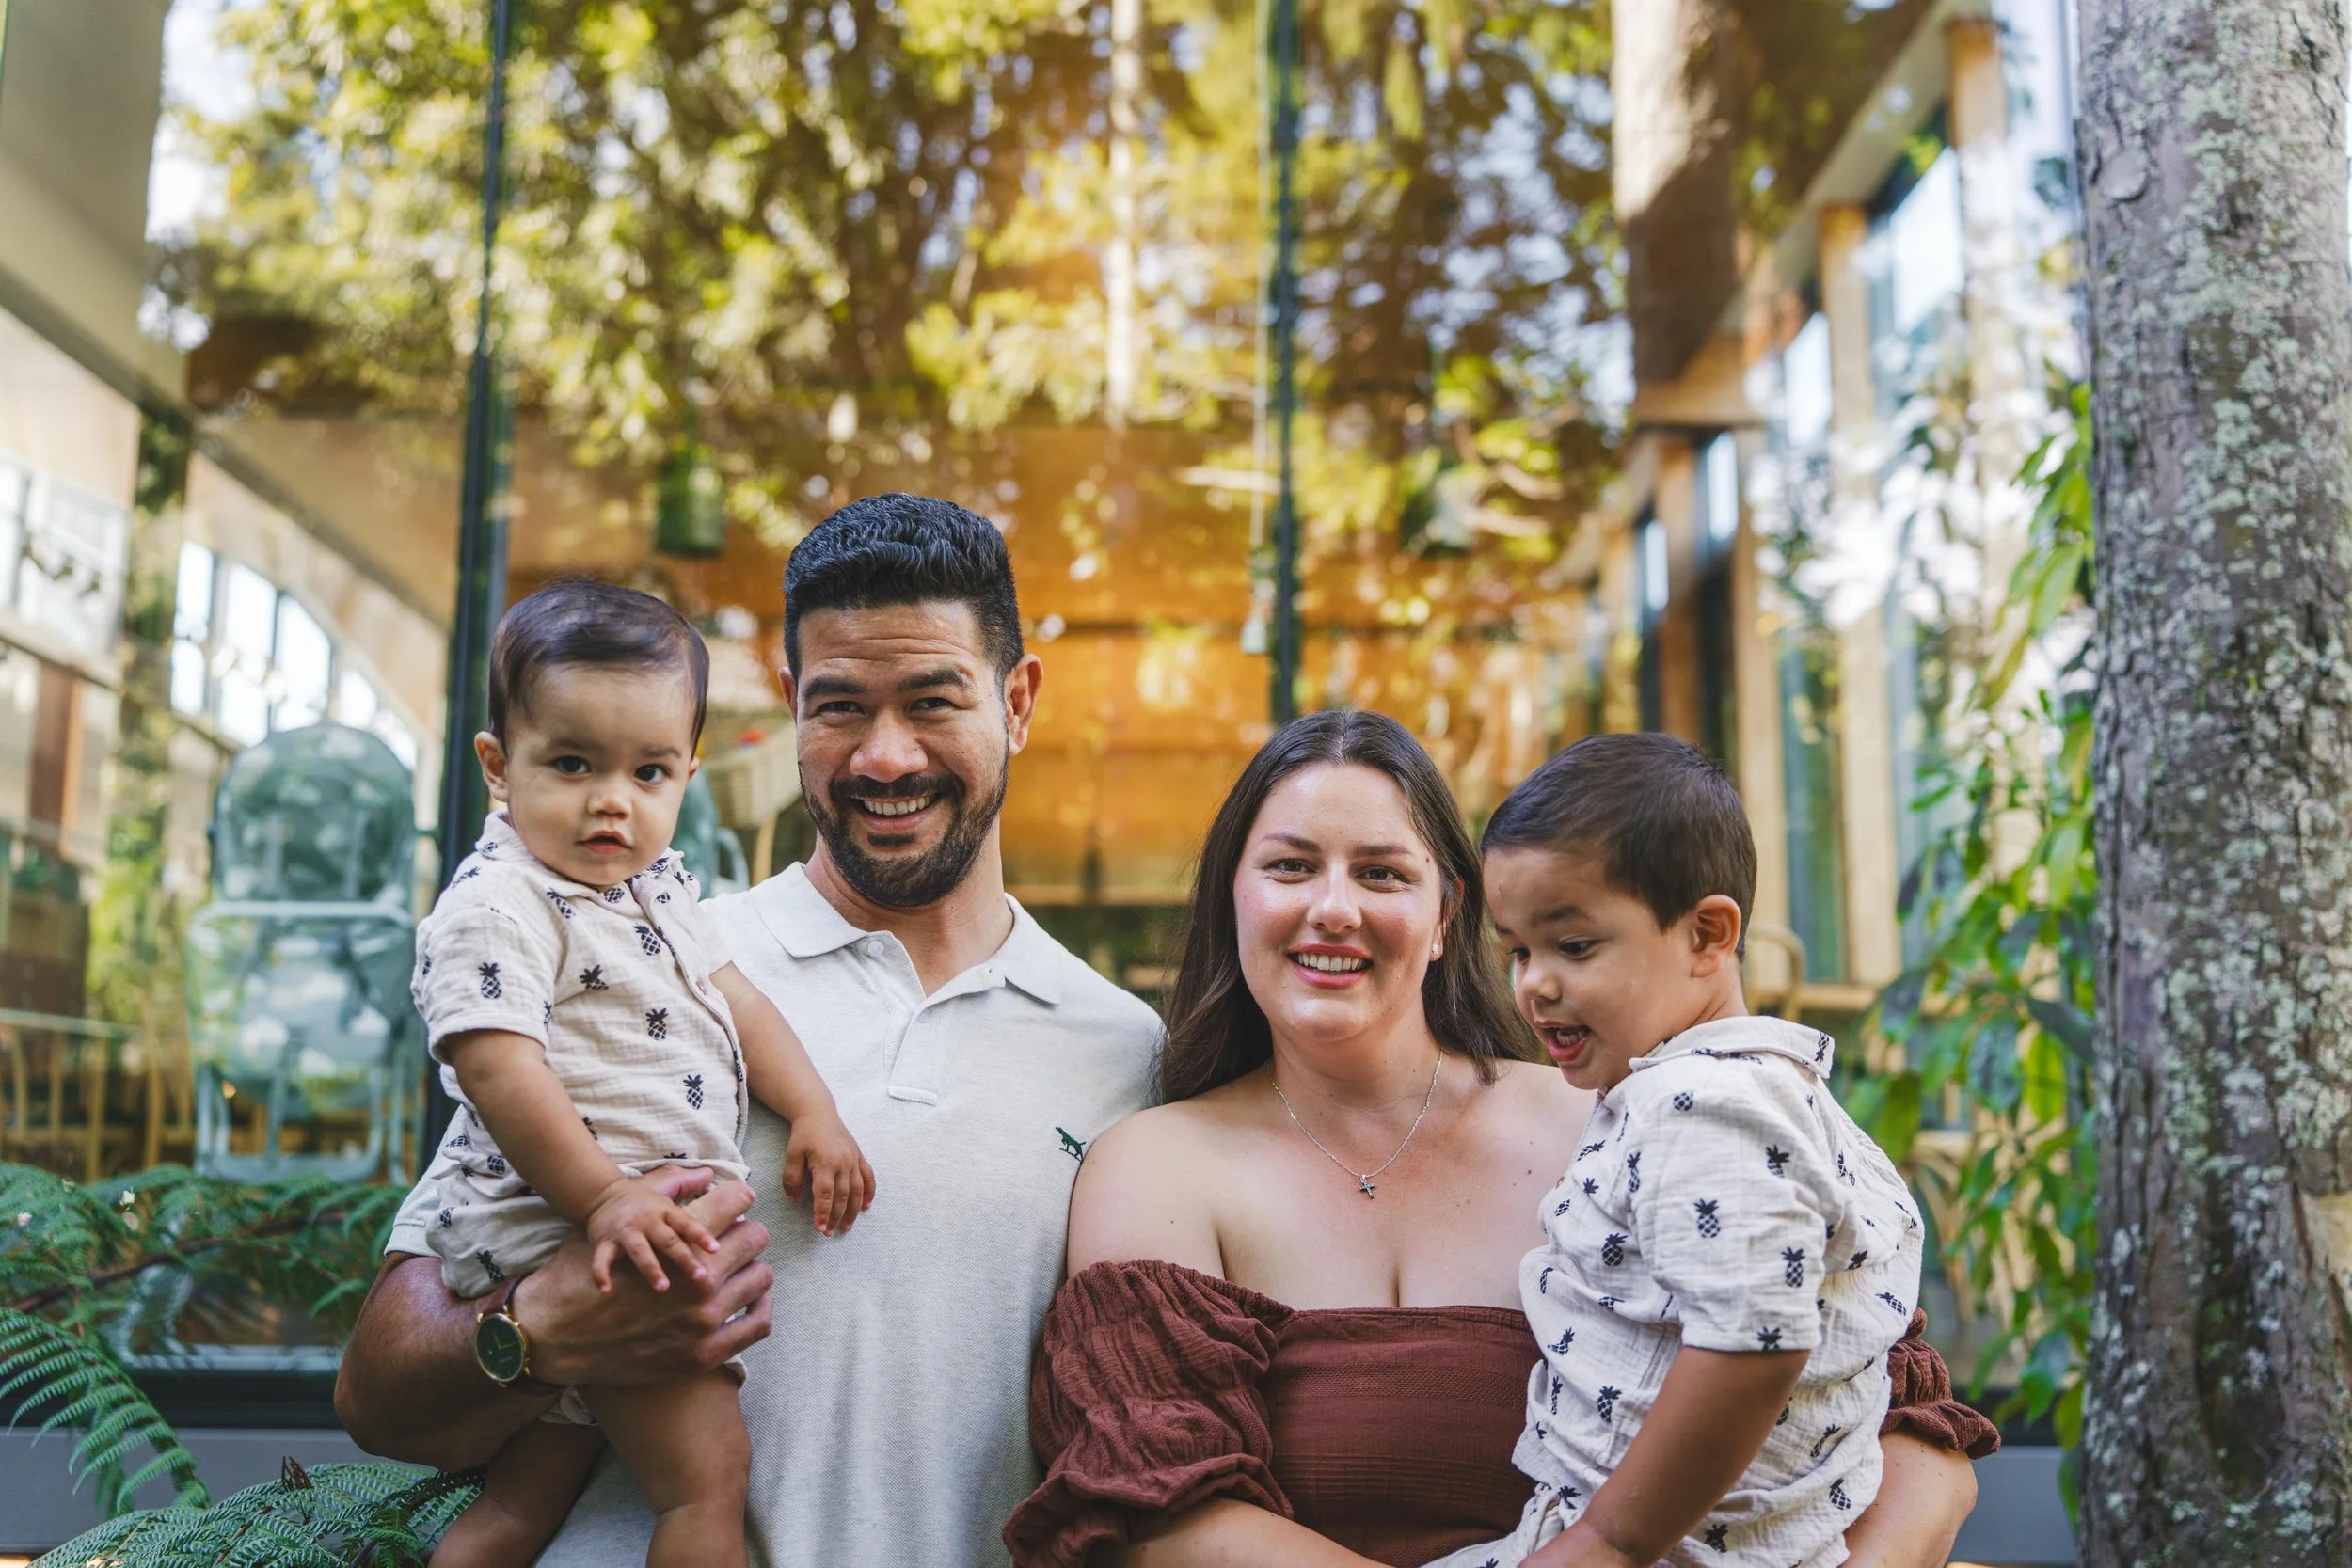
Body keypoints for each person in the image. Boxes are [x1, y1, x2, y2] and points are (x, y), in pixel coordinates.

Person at [337, 495, 1162, 1567]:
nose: (883, 755)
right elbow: (376, 1392)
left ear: (1017, 701)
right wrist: (534, 1332)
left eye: (931, 700)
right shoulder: (628, 966)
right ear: (785, 707)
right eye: (838, 708)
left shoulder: (1125, 1052)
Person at [1008, 709, 1993, 1568]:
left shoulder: (1637, 1118)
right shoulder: (1156, 1165)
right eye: (1291, 865)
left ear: (1446, 918)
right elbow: (1161, 1516)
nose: (1333, 905)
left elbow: (1898, 1414)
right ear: (1234, 899)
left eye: (1382, 872)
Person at [412, 580, 874, 1568]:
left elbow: (741, 1004)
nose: (611, 799)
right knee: (705, 1481)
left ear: (688, 774)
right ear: (500, 764)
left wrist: (815, 1111)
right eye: (572, 763)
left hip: (609, 1234)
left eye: (648, 770)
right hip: (573, 1236)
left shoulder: (653, 885)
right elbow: (497, 1066)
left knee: (517, 1508)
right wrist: (606, 1196)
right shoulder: (501, 899)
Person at [1429, 732, 1921, 1567]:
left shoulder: (1707, 1106)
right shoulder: (1752, 1088)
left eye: (1574, 945)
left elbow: (1754, 1340)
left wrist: (1610, 1540)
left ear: (1706, 935)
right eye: (1517, 950)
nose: (1534, 984)